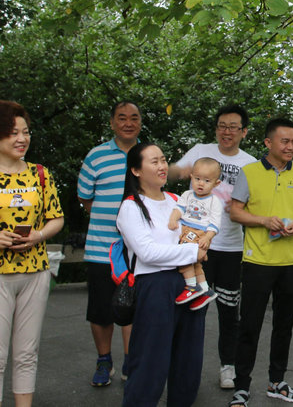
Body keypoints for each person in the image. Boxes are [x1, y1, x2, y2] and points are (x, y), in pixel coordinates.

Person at [228, 117, 293, 406]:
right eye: (285, 141)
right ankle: (241, 386)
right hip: (258, 261)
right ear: (268, 142)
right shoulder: (249, 172)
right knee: (249, 325)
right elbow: (235, 212)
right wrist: (264, 221)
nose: (291, 146)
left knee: (284, 324)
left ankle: (277, 382)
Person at [168, 104, 257, 389]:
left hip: (230, 247)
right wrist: (170, 169)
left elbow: (258, 204)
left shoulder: (251, 164)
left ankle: (228, 366)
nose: (226, 131)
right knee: (191, 305)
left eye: (233, 127)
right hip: (194, 246)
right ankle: (182, 366)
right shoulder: (200, 151)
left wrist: (242, 207)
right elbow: (174, 172)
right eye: (222, 125)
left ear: (244, 131)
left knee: (229, 310)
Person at [116, 142, 208, 407]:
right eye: (154, 161)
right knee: (150, 360)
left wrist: (200, 246)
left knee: (188, 360)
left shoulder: (177, 201)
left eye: (164, 160)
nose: (162, 166)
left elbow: (197, 232)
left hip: (189, 283)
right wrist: (192, 252)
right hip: (154, 286)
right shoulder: (131, 207)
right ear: (136, 170)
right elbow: (147, 253)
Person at [0, 101, 64, 407]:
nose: (21, 138)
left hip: (35, 271)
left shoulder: (40, 174)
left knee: (27, 352)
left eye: (25, 132)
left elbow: (57, 218)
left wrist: (38, 235)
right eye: (13, 132)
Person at [77, 100, 141, 386]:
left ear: (140, 122)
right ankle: (104, 361)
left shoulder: (147, 155)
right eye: (122, 117)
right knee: (101, 311)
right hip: (101, 248)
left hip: (138, 250)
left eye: (134, 118)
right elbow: (85, 197)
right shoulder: (96, 156)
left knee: (133, 309)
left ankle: (130, 360)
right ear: (113, 122)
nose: (128, 123)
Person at [169, 157, 223, 310]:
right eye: (197, 178)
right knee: (196, 264)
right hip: (184, 229)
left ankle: (192, 286)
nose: (201, 183)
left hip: (199, 232)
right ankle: (205, 289)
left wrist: (207, 237)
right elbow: (179, 209)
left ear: (216, 183)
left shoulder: (214, 201)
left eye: (207, 181)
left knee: (184, 257)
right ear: (191, 176)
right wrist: (173, 219)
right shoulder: (187, 195)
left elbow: (214, 224)